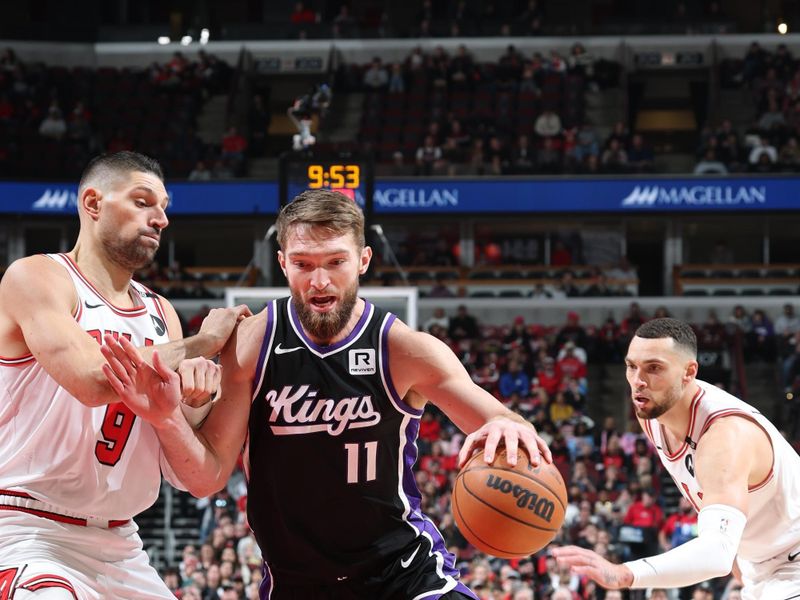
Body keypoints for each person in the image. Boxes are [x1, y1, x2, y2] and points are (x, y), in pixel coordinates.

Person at [101, 189, 552, 600]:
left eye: (335, 262)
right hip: (298, 585)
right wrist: (168, 417)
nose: (319, 281)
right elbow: (206, 479)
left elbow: (503, 420)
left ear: (363, 260)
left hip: (403, 577)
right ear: (282, 264)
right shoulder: (252, 344)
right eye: (303, 264)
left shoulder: (405, 350)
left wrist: (511, 433)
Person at [0, 151, 251, 598]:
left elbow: (189, 474)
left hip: (120, 544)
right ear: (93, 204)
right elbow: (94, 382)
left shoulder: (160, 314)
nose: (161, 218)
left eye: (165, 207)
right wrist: (200, 344)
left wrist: (195, 401)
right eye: (143, 202)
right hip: (27, 530)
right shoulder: (38, 277)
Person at [552, 318, 800, 599]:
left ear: (688, 372)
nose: (638, 381)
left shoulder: (724, 437)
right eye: (631, 366)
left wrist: (626, 574)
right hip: (760, 566)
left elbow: (716, 553)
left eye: (654, 368)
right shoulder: (653, 413)